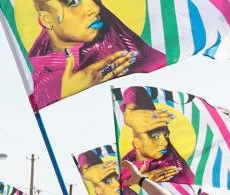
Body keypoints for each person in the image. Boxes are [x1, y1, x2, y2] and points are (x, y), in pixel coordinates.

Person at [27, 0, 166, 108]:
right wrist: (59, 92)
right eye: (73, 2)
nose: (96, 8)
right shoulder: (41, 82)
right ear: (46, 19)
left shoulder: (112, 29)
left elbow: (157, 62)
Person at [121, 86, 193, 184]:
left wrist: (142, 182)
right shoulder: (123, 164)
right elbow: (135, 91)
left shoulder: (172, 166)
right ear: (136, 143)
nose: (165, 142)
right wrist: (128, 114)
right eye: (154, 137)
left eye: (166, 135)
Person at [77, 148, 149, 195]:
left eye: (116, 177)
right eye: (108, 181)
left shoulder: (130, 191)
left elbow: (139, 153)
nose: (117, 184)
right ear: (97, 190)